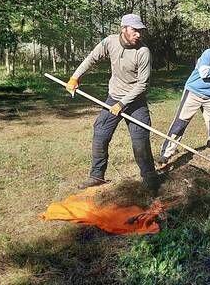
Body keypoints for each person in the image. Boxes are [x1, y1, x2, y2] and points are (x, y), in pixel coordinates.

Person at [64, 14, 159, 195]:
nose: (138, 34)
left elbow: (142, 84)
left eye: (140, 31)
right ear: (123, 29)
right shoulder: (110, 42)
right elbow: (91, 58)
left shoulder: (143, 52)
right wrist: (75, 77)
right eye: (134, 30)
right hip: (113, 97)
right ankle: (96, 176)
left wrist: (122, 104)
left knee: (140, 142)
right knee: (100, 134)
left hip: (135, 102)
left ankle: (150, 179)